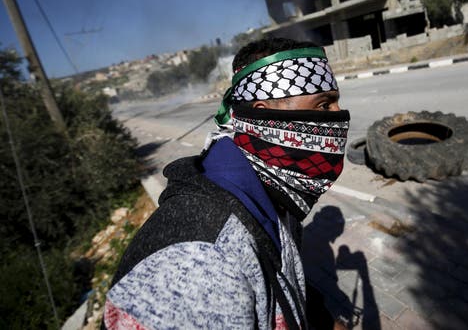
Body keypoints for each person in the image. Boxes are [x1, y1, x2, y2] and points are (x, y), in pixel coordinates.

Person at [103, 38, 350, 329]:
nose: (338, 117)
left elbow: (283, 287)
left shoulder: (276, 191)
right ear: (266, 115)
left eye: (336, 101)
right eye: (323, 104)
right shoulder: (198, 262)